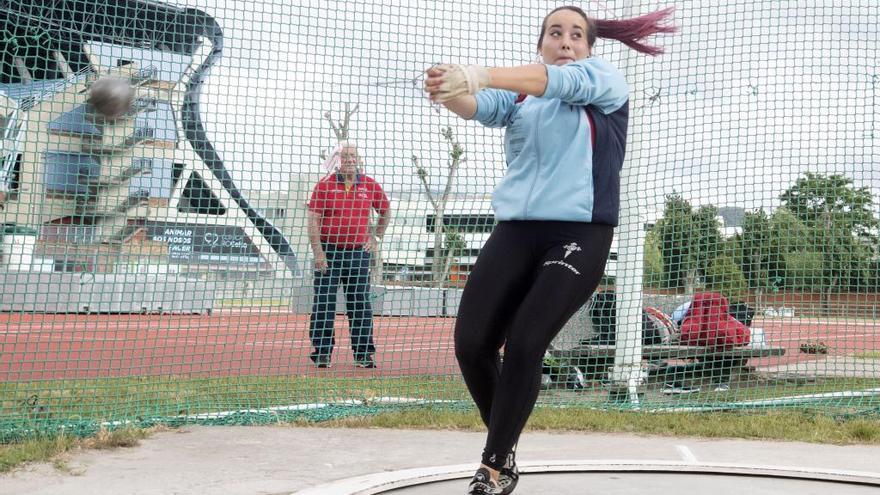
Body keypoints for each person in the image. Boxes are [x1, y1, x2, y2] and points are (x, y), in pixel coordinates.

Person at [424, 6, 675, 494]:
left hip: (580, 233)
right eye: (554, 33)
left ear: (588, 48)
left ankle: (494, 465)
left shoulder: (604, 82)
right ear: (540, 43)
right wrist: (448, 89)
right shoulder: (522, 95)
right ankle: (507, 445)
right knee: (472, 346)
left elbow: (556, 83)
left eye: (576, 35)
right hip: (516, 230)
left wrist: (475, 72)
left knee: (524, 341)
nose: (565, 40)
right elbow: (481, 106)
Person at [306, 142, 391, 369]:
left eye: (353, 156)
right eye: (345, 156)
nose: (350, 160)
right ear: (337, 160)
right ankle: (322, 353)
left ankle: (363, 354)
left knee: (360, 303)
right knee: (324, 302)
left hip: (358, 254)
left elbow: (385, 211)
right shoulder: (324, 186)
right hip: (329, 253)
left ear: (359, 159)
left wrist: (375, 238)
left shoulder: (370, 185)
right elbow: (313, 219)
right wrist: (319, 253)